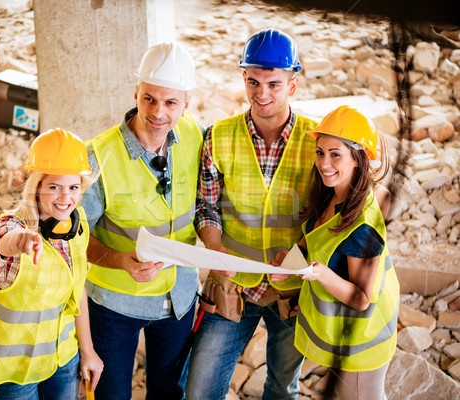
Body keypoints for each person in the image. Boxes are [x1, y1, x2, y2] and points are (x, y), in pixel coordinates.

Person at [185, 28, 317, 400]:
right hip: (233, 284)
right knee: (199, 391)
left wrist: (299, 258)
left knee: (281, 389)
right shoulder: (219, 136)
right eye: (254, 82)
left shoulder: (316, 142)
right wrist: (214, 248)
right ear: (244, 77)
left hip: (292, 290)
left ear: (292, 84)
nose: (262, 94)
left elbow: (326, 217)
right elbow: (207, 205)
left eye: (274, 84)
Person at [81, 42, 204, 400]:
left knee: (168, 393)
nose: (158, 112)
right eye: (149, 99)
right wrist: (120, 261)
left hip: (178, 299)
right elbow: (74, 238)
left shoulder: (195, 137)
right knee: (110, 395)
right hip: (114, 304)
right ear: (136, 93)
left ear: (186, 104)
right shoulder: (98, 156)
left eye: (170, 103)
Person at [0, 128, 104, 400]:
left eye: (74, 187)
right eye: (54, 187)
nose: (65, 198)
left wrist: (88, 351)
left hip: (62, 360)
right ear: (37, 186)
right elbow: (5, 241)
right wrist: (22, 241)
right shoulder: (10, 225)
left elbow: (77, 290)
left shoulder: (75, 224)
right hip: (13, 372)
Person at [289, 105, 399, 399]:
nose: (324, 163)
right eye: (320, 152)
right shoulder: (331, 190)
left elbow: (362, 299)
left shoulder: (362, 226)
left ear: (358, 158)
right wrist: (292, 258)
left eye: (335, 154)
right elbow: (318, 236)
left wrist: (321, 274)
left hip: (363, 342)